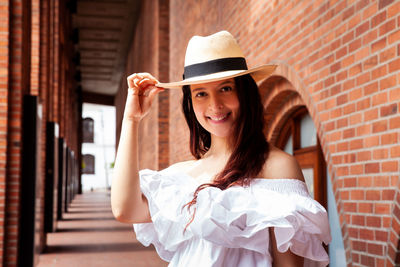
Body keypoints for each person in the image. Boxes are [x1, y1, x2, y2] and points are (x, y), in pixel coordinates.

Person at [111, 31, 331, 267]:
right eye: (201, 94)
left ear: (244, 93)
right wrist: (131, 119)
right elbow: (125, 209)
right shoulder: (185, 176)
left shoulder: (276, 167)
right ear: (191, 103)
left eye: (225, 88)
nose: (215, 105)